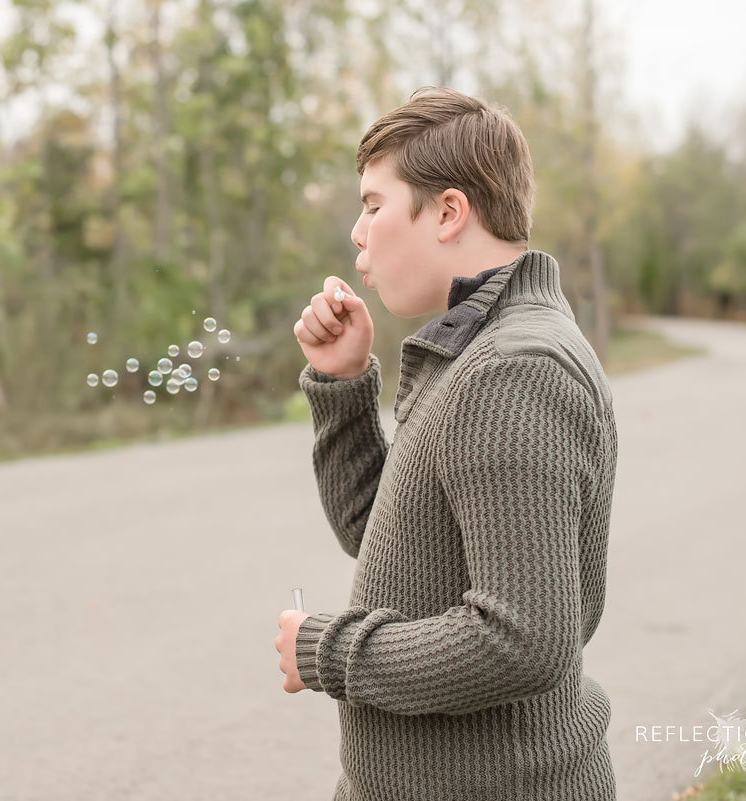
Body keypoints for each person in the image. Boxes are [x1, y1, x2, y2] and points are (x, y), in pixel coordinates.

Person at [273, 86, 618, 800]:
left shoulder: (513, 370)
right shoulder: (478, 347)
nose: (357, 233)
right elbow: (389, 538)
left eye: (374, 204)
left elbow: (523, 638)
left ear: (449, 212)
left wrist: (325, 649)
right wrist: (342, 388)